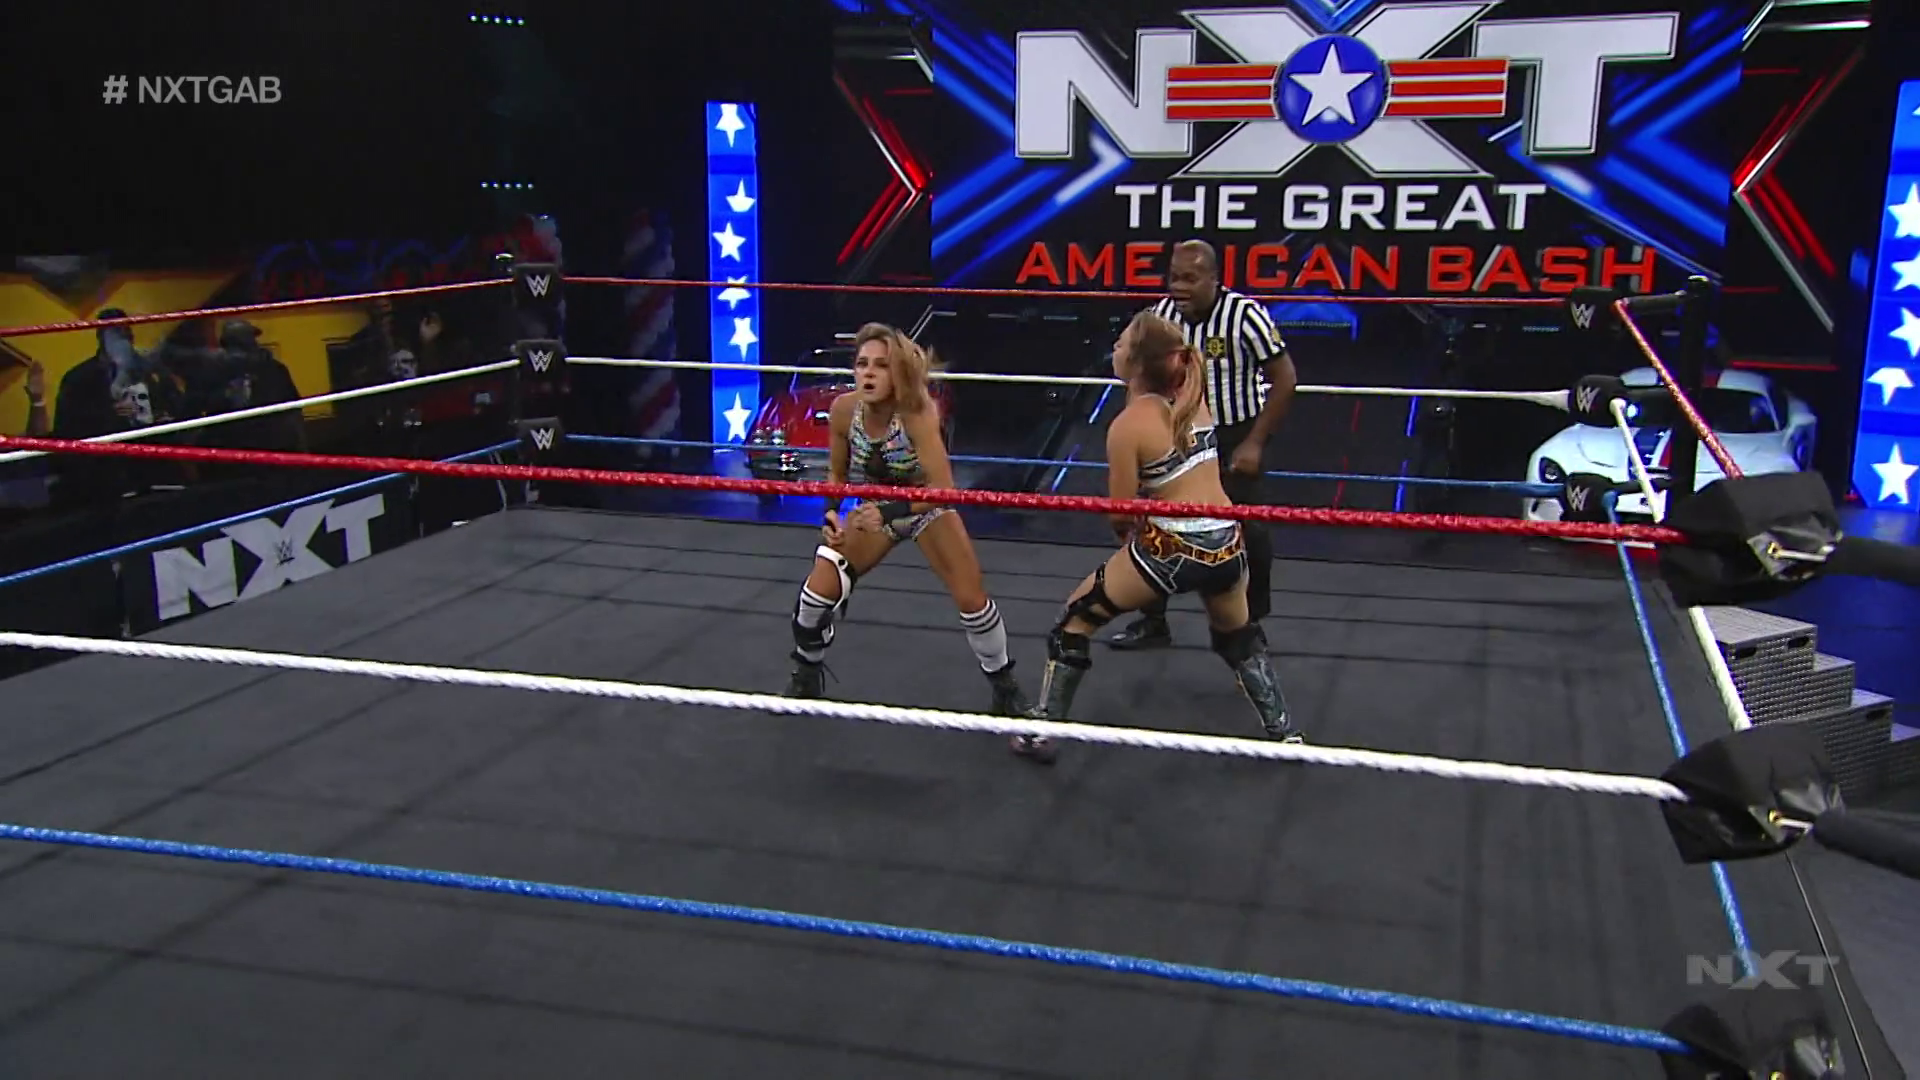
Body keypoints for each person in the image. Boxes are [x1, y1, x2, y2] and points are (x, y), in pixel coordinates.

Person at [1013, 310, 1299, 764]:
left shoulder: (1128, 426)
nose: (1114, 348)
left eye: (1122, 343)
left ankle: (1043, 731)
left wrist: (1132, 540)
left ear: (1137, 362)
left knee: (1074, 621)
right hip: (1227, 541)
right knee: (1237, 637)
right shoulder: (1195, 399)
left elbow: (1120, 511)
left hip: (1171, 547)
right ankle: (1284, 732)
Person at [784, 322, 1031, 716]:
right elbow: (837, 473)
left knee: (972, 598)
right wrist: (830, 511)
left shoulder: (917, 413)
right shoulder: (844, 410)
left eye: (880, 365)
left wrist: (889, 511)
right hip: (874, 510)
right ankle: (807, 673)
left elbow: (943, 488)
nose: (868, 373)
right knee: (815, 595)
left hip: (925, 507)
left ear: (897, 372)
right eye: (862, 363)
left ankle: (1005, 687)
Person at [1108, 239, 1297, 650]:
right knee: (1152, 525)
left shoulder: (1245, 315)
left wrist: (1255, 442)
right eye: (1174, 277)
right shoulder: (1160, 318)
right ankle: (1152, 619)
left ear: (1214, 278)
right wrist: (1137, 437)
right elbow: (1138, 381)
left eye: (1190, 278)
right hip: (1174, 435)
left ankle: (1249, 621)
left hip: (1233, 433)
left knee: (1249, 529)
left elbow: (1285, 378)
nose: (1179, 286)